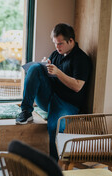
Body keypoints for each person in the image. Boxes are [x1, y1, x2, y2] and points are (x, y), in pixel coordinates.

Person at [15, 23, 92, 160]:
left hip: (67, 103)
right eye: (55, 43)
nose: (57, 47)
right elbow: (49, 75)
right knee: (35, 68)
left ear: (71, 41)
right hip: (50, 97)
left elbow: (77, 86)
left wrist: (58, 72)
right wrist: (46, 65)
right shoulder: (57, 54)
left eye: (60, 44)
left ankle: (55, 165)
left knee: (54, 128)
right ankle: (26, 111)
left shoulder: (81, 59)